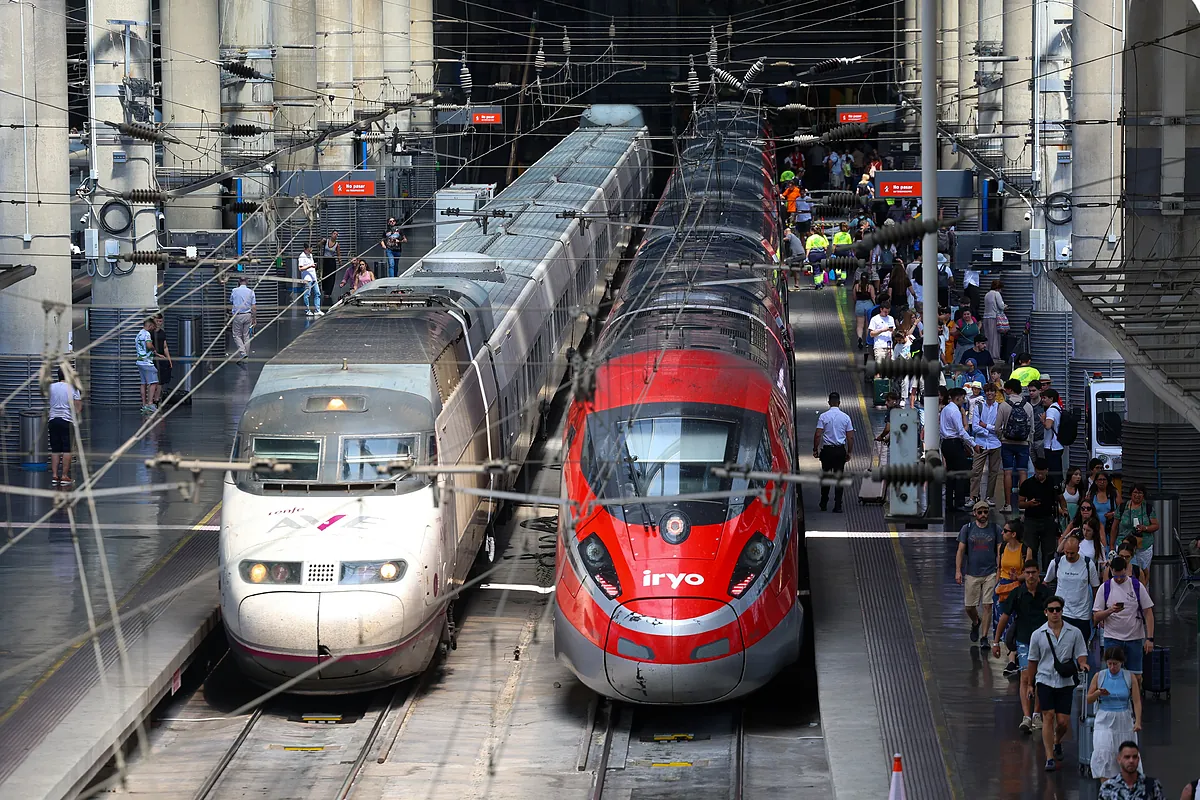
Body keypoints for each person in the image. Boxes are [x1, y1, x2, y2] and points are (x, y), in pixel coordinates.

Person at [1026, 594, 1088, 771]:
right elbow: (1032, 661)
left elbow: (1081, 653)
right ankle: (1049, 757)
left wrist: (1083, 663)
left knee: (1063, 722)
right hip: (1044, 679)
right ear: (1046, 612)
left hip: (1065, 682)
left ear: (1062, 611)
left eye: (1058, 610)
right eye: (1051, 610)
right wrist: (1031, 684)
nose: (1055, 613)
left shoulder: (1074, 632)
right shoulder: (1037, 635)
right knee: (1048, 716)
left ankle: (1056, 740)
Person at [994, 559, 1053, 732]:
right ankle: (1026, 717)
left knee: (1040, 677)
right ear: (1023, 574)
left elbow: (1056, 615)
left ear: (1038, 573)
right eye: (1027, 572)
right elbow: (1005, 617)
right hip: (1024, 640)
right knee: (1026, 677)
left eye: (1034, 572)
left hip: (1044, 642)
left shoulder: (1045, 593)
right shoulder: (1017, 593)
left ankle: (1036, 714)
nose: (1030, 576)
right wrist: (996, 641)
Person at [1092, 556, 1155, 689]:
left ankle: (1136, 702)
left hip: (1135, 637)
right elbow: (1096, 616)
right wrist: (1110, 611)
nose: (1119, 579)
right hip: (1112, 638)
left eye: (1122, 575)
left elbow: (1148, 612)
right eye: (1116, 576)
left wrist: (1150, 638)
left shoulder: (1136, 586)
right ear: (1112, 571)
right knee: (1112, 673)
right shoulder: (1105, 588)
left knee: (1136, 676)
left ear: (1126, 570)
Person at [1087, 648, 1143, 785]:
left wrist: (1138, 721)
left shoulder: (1129, 677)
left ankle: (1126, 789)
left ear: (1121, 663)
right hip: (1104, 719)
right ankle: (1105, 789)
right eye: (1110, 663)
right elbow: (1088, 699)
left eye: (1115, 664)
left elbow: (1136, 701)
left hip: (1123, 719)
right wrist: (1098, 693)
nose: (1112, 667)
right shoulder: (1099, 676)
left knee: (1125, 755)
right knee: (1103, 751)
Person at [956, 500, 1004, 647]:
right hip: (972, 573)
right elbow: (960, 551)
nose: (983, 515)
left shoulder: (995, 529)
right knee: (969, 607)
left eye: (986, 512)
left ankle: (984, 638)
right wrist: (958, 570)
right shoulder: (967, 529)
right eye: (980, 512)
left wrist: (999, 570)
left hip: (990, 572)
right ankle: (976, 621)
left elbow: (999, 551)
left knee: (988, 605)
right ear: (975, 513)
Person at [1046, 534, 1101, 644]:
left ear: (1078, 550)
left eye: (1072, 553)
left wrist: (1095, 610)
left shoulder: (1088, 564)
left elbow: (1096, 588)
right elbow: (1046, 582)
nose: (1069, 555)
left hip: (1082, 614)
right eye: (1066, 552)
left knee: (1081, 648)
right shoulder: (1056, 563)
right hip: (1063, 613)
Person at [996, 378, 1035, 513]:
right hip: (1023, 443)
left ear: (1010, 389)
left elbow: (997, 427)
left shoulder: (1004, 405)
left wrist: (1002, 436)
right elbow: (1032, 428)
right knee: (1023, 471)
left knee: (1007, 472)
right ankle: (1022, 504)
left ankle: (1007, 504)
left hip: (1007, 442)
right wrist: (1029, 441)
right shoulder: (1028, 406)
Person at [814, 392, 854, 513]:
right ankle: (838, 506)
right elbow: (850, 437)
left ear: (829, 402)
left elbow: (818, 435)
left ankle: (823, 503)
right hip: (839, 451)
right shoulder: (846, 417)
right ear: (839, 402)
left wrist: (815, 449)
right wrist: (849, 452)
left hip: (827, 451)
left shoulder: (823, 416)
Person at [1020, 458, 1064, 570]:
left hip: (1048, 518)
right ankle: (1032, 572)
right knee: (1031, 548)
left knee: (1049, 550)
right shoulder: (1027, 484)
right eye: (1038, 471)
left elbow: (1061, 499)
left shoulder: (1053, 483)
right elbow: (1020, 503)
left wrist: (1064, 509)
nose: (1040, 474)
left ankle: (1047, 574)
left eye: (1042, 471)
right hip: (1031, 519)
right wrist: (1029, 503)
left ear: (1047, 470)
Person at [940, 387, 977, 515]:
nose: (963, 400)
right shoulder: (955, 411)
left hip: (946, 443)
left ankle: (950, 503)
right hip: (954, 443)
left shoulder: (945, 409)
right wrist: (973, 444)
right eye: (962, 398)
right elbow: (961, 431)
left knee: (950, 474)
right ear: (958, 398)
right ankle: (960, 503)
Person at [1113, 485, 1159, 579]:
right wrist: (1111, 546)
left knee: (1143, 572)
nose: (1137, 495)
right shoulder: (1122, 507)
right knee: (1123, 571)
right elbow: (1114, 528)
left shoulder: (1148, 508)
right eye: (1135, 492)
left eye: (1140, 493)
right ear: (1131, 494)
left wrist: (1145, 528)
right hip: (1124, 545)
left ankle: (1143, 591)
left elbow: (1156, 525)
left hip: (1143, 546)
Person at [47, 366, 82, 487]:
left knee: (55, 449)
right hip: (66, 420)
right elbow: (78, 409)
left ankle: (55, 475)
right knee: (67, 449)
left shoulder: (51, 387)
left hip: (52, 420)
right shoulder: (73, 388)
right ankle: (64, 476)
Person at [969, 383, 1002, 505]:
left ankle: (989, 496)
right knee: (976, 471)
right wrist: (989, 429)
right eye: (987, 391)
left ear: (995, 393)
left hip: (995, 443)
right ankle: (973, 497)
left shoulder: (999, 407)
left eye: (992, 391)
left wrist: (986, 426)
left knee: (993, 472)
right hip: (981, 443)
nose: (989, 393)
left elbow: (1000, 428)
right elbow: (975, 427)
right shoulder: (979, 407)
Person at [1098, 743, 1166, 800]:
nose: (1131, 761)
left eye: (1134, 757)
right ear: (1119, 759)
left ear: (1138, 759)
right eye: (1127, 757)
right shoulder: (1108, 787)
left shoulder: (1152, 785)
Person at [1089, 471, 1121, 553]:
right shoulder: (1092, 494)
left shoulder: (1114, 493)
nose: (1102, 482)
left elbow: (1122, 509)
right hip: (1095, 530)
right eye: (1100, 480)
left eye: (1104, 479)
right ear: (1096, 482)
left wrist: (1113, 514)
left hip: (1111, 530)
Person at [229, 276, 257, 362]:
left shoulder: (234, 291)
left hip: (238, 315)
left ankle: (243, 353)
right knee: (246, 335)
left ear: (239, 281)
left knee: (237, 335)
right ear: (247, 281)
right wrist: (254, 318)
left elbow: (231, 301)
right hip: (248, 315)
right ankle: (245, 356)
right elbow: (254, 307)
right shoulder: (251, 292)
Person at [1041, 388, 1066, 481]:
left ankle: (1055, 491)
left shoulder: (1051, 410)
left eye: (1045, 398)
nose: (1043, 400)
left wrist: (1043, 420)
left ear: (1051, 399)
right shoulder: (1058, 408)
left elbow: (1048, 426)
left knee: (1052, 473)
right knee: (1057, 470)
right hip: (1059, 445)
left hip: (1052, 446)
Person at [135, 317, 158, 414]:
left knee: (143, 383)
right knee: (154, 382)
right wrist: (153, 349)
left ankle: (144, 404)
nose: (153, 328)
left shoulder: (138, 334)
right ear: (149, 325)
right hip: (147, 362)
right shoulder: (147, 334)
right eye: (153, 326)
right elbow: (148, 345)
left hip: (139, 361)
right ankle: (150, 403)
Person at [152, 312, 172, 406]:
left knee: (161, 380)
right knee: (153, 380)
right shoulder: (150, 333)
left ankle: (157, 398)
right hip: (153, 358)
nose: (159, 323)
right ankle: (152, 399)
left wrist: (169, 359)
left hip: (161, 358)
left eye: (161, 321)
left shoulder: (162, 333)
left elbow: (165, 347)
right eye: (158, 321)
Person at [983, 279, 1007, 359]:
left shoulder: (987, 294)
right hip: (993, 317)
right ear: (999, 287)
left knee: (987, 337)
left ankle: (987, 353)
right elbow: (1001, 306)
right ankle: (994, 355)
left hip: (985, 317)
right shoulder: (997, 294)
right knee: (994, 338)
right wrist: (1005, 307)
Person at [867, 300, 895, 364]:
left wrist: (893, 331)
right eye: (885, 312)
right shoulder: (874, 319)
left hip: (889, 347)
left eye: (888, 312)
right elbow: (871, 334)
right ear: (881, 309)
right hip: (879, 347)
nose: (887, 313)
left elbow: (894, 331)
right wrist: (882, 330)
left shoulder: (891, 318)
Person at [853, 273, 876, 348]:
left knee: (860, 325)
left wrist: (857, 303)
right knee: (868, 325)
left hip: (859, 305)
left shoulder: (856, 286)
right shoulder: (870, 287)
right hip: (869, 305)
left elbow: (854, 297)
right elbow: (873, 297)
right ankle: (867, 341)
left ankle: (860, 338)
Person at [299, 245, 322, 317]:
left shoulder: (311, 255)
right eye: (310, 248)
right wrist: (309, 266)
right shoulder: (302, 256)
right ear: (306, 249)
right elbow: (300, 268)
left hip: (313, 278)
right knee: (307, 295)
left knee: (317, 293)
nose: (312, 249)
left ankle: (317, 310)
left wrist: (313, 266)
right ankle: (307, 310)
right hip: (307, 278)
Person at [321, 232, 342, 296]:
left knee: (331, 277)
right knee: (325, 275)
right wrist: (321, 241)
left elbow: (338, 254)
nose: (335, 235)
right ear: (331, 234)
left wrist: (340, 262)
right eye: (334, 234)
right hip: (325, 260)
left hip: (331, 261)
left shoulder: (337, 244)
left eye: (336, 235)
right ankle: (324, 290)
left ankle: (329, 292)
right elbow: (318, 245)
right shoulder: (326, 241)